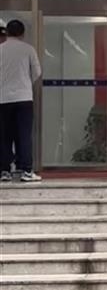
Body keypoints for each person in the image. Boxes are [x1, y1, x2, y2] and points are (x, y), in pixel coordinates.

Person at [0, 19, 42, 183]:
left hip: (3, 98)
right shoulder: (28, 49)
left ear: (7, 32)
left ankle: (4, 171)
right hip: (24, 98)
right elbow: (37, 72)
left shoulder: (0, 49)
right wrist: (25, 82)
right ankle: (26, 170)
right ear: (22, 33)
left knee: (4, 136)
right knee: (24, 135)